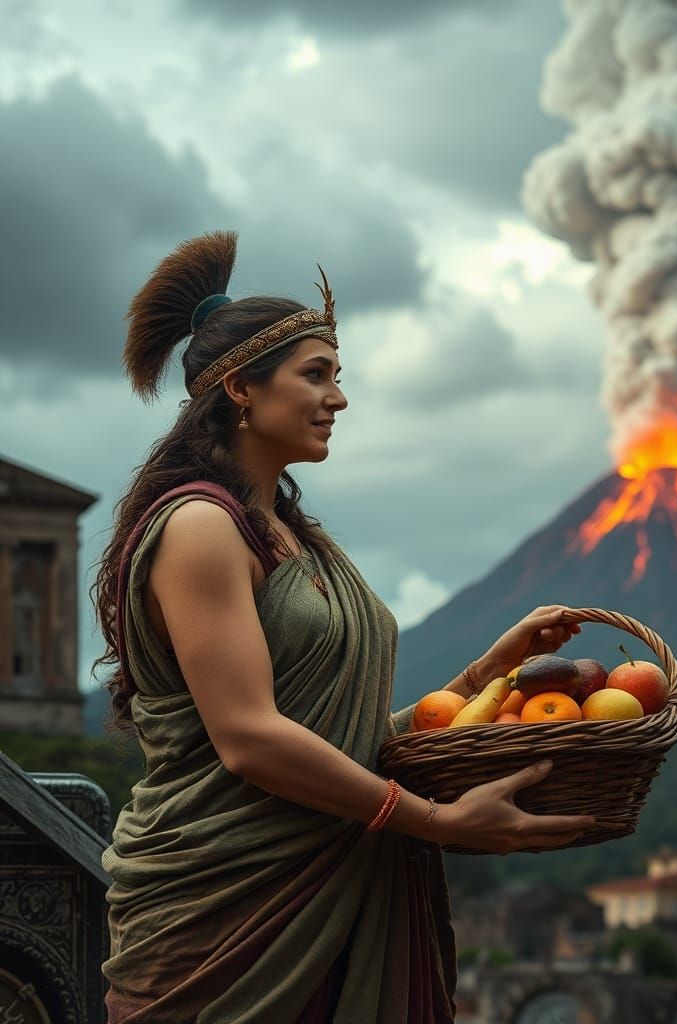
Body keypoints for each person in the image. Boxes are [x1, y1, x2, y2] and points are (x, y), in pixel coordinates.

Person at [92, 231, 595, 1022]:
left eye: (338, 375)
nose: (339, 396)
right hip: (226, 920)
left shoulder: (299, 537)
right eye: (316, 374)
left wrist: (485, 675)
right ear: (240, 390)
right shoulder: (199, 527)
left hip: (338, 898)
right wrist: (436, 822)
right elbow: (251, 738)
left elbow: (340, 744)